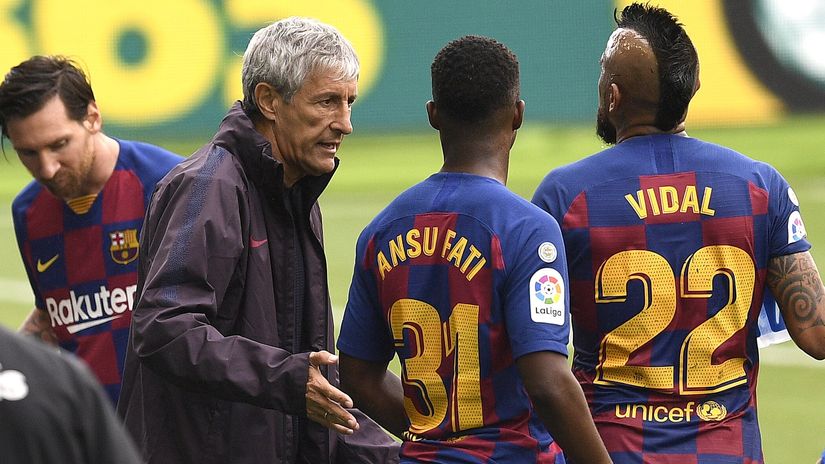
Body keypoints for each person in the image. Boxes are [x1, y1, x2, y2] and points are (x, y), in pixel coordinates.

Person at [531, 3, 825, 462]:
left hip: (611, 449)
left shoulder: (568, 196)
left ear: (613, 95)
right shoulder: (760, 188)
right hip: (730, 453)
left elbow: (527, 357)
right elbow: (818, 333)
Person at [116, 16, 399, 464]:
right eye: (327, 102)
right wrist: (287, 380)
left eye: (349, 103)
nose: (345, 124)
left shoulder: (297, 192)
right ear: (269, 99)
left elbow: (310, 384)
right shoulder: (210, 186)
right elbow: (165, 330)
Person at [336, 35, 612, 463]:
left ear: (433, 115)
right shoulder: (528, 230)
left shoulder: (381, 231)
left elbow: (357, 374)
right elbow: (547, 382)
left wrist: (433, 439)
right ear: (518, 114)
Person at [0, 55, 183, 405]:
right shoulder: (28, 212)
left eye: (59, 145)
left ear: (93, 118)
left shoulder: (170, 185)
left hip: (171, 429)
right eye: (28, 153)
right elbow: (52, 318)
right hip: (89, 430)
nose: (47, 168)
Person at [0, 324, 142, 464]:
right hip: (99, 406)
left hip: (128, 405)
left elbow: (39, 324)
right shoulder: (68, 378)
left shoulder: (67, 379)